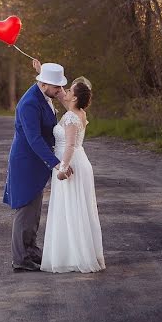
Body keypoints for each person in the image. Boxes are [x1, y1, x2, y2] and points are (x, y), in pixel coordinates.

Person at [3, 61, 73, 272]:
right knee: (25, 209)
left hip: (36, 162)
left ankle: (31, 250)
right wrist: (57, 163)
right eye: (57, 87)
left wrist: (41, 70)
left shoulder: (43, 93)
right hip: (26, 162)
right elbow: (33, 139)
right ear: (44, 85)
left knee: (34, 211)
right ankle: (20, 258)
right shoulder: (29, 104)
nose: (60, 91)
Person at [40, 75, 105, 273]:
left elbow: (68, 145)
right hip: (82, 161)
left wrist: (62, 169)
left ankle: (73, 256)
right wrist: (43, 72)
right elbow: (61, 95)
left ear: (75, 98)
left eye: (69, 90)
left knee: (70, 208)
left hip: (70, 164)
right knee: (78, 208)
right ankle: (80, 253)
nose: (64, 92)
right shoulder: (80, 113)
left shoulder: (69, 117)